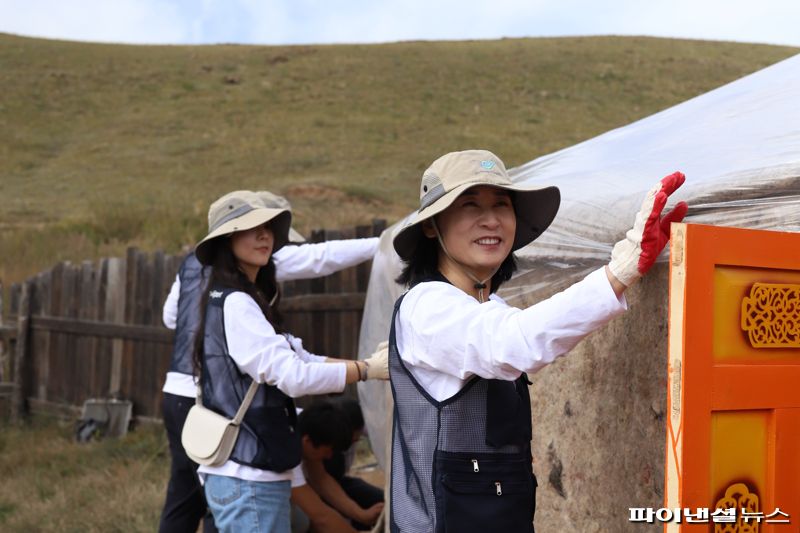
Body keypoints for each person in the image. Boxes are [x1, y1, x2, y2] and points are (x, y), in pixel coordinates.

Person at [387, 150, 687, 532]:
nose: (491, 219)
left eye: (501, 204)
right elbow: (515, 342)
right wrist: (619, 270)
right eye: (470, 205)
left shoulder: (490, 305)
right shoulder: (426, 305)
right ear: (432, 226)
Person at [158, 192, 379, 533]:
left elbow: (172, 317)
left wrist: (366, 367)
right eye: (251, 228)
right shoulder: (236, 303)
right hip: (246, 459)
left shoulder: (217, 290)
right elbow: (292, 373)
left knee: (186, 496)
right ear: (227, 238)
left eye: (268, 228)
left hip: (200, 405)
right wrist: (365, 370)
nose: (265, 236)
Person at [300, 400, 384, 530]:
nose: (329, 456)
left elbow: (321, 479)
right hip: (267, 492)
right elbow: (321, 517)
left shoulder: (313, 429)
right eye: (328, 450)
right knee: (301, 521)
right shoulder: (283, 455)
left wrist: (362, 515)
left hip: (328, 482)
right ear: (307, 442)